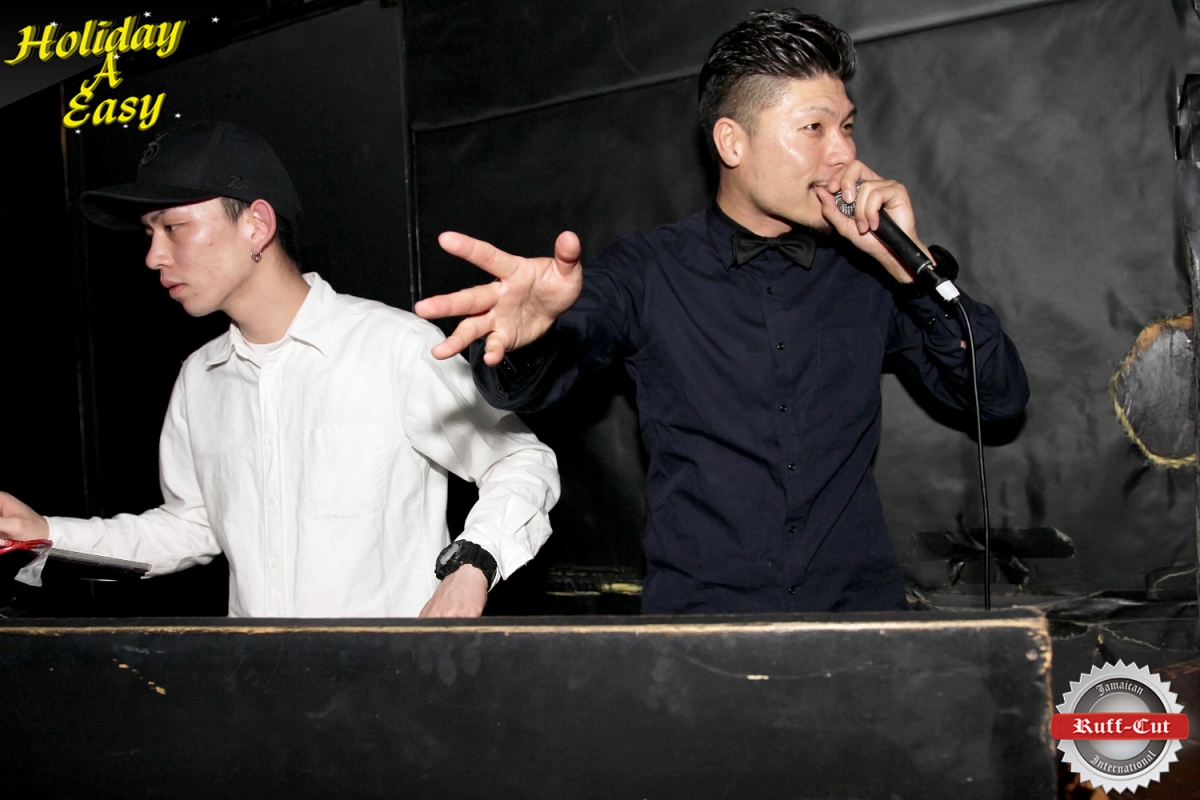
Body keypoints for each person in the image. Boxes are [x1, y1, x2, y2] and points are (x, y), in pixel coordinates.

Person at [413, 10, 1029, 614]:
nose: (843, 152)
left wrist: (911, 268)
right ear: (732, 141)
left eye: (846, 126)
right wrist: (525, 337)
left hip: (859, 627)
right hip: (701, 638)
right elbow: (537, 376)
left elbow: (998, 399)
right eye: (814, 128)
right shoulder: (650, 271)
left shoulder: (868, 274)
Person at [0, 121, 559, 618]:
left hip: (386, 686)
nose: (153, 256)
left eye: (173, 227)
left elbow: (520, 460)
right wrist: (44, 534)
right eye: (149, 234)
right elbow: (189, 526)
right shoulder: (200, 378)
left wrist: (472, 564)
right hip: (255, 689)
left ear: (256, 224)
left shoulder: (390, 346)